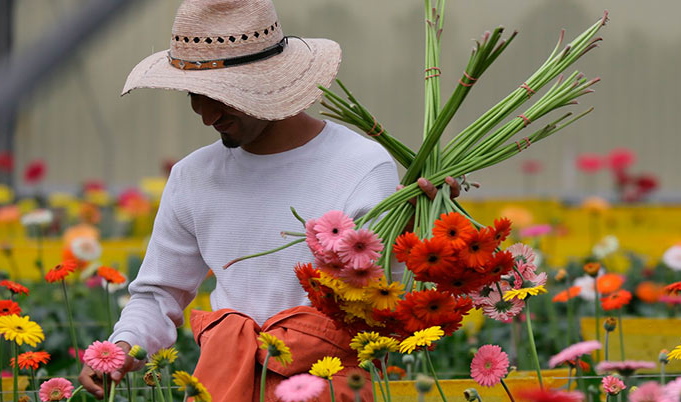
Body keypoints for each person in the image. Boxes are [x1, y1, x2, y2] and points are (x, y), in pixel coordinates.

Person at [79, 0, 457, 400]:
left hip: (327, 384)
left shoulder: (359, 165)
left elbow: (383, 294)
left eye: (222, 96)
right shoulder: (193, 177)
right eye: (195, 93)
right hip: (225, 380)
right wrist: (121, 347)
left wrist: (419, 231)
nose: (207, 116)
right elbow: (159, 294)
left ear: (269, 81)